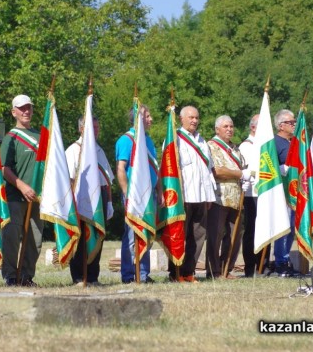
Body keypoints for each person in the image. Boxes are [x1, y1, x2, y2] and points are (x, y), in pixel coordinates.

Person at [167, 106, 215, 283]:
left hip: (201, 196)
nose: (194, 121)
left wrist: (210, 196)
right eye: (191, 117)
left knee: (198, 236)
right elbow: (169, 168)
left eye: (196, 117)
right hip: (184, 196)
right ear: (181, 119)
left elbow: (207, 170)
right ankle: (175, 272)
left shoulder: (202, 141)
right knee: (179, 235)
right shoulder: (174, 138)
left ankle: (189, 272)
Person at [115, 104, 162, 284]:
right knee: (131, 235)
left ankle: (142, 273)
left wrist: (159, 191)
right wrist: (127, 193)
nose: (150, 120)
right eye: (147, 116)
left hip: (148, 195)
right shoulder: (126, 140)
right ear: (138, 119)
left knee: (147, 233)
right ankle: (129, 274)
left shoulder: (147, 140)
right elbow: (121, 168)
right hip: (133, 195)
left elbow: (154, 169)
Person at [65, 116, 114, 286]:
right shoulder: (73, 150)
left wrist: (109, 203)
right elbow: (69, 179)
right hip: (80, 198)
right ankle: (78, 276)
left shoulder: (99, 150)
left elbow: (107, 179)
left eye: (97, 127)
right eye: (91, 127)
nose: (95, 130)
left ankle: (93, 277)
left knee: (97, 237)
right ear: (81, 129)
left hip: (99, 197)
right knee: (80, 240)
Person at [0, 94, 42, 287]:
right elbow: (4, 169)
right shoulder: (11, 138)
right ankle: (10, 275)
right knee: (12, 237)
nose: (26, 111)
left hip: (38, 197)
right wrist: (22, 186)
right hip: (16, 195)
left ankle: (26, 275)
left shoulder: (42, 136)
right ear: (13, 112)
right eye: (21, 108)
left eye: (29, 108)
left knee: (35, 239)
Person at [206, 115, 250, 279]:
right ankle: (214, 270)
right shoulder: (211, 146)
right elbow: (217, 171)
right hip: (219, 196)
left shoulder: (235, 149)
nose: (229, 129)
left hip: (236, 197)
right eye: (225, 126)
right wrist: (239, 174)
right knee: (215, 235)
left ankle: (227, 268)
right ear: (217, 129)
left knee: (234, 235)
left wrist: (245, 179)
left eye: (231, 126)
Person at [239, 114, 270, 276]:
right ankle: (250, 266)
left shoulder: (265, 145)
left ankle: (263, 265)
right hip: (252, 194)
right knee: (252, 230)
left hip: (266, 192)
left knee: (267, 229)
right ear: (253, 128)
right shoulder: (246, 146)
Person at [272, 109, 297, 276]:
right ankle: (280, 261)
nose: (294, 125)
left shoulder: (294, 143)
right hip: (282, 192)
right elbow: (268, 165)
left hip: (295, 192)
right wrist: (281, 169)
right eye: (291, 122)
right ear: (281, 125)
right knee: (283, 227)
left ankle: (286, 258)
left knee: (292, 228)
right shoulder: (274, 142)